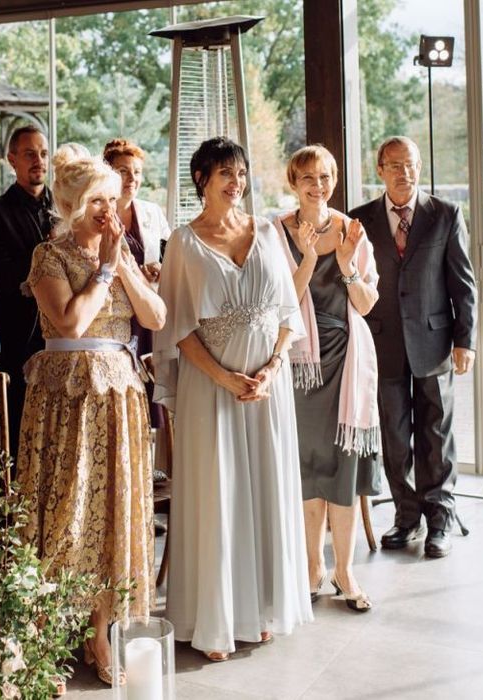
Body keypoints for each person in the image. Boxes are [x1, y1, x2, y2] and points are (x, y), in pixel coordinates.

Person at [153, 137, 312, 660]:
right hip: (211, 389)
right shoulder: (183, 241)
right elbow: (178, 328)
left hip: (267, 391)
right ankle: (214, 619)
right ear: (201, 178)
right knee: (218, 495)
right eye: (225, 172)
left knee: (264, 488)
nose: (236, 181)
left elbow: (288, 316)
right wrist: (223, 377)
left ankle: (260, 607)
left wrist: (268, 370)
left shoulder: (267, 232)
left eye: (241, 172)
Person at [17, 150, 166, 685]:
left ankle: (100, 632)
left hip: (119, 394)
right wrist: (105, 267)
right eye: (97, 200)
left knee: (114, 513)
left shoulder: (119, 252)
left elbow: (156, 316)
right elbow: (72, 322)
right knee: (66, 511)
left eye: (112, 197)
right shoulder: (48, 256)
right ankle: (44, 634)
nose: (109, 209)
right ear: (71, 206)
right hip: (68, 397)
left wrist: (122, 264)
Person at [349, 136, 477, 559]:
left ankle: (439, 519)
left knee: (436, 434)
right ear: (380, 169)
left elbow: (463, 283)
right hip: (381, 344)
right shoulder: (360, 220)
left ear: (420, 167)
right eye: (395, 165)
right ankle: (407, 518)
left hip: (435, 342)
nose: (404, 173)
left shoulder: (445, 215)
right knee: (396, 436)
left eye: (411, 165)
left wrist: (465, 340)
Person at [273, 145, 381, 612]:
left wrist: (346, 265)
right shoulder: (276, 232)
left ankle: (345, 569)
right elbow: (282, 300)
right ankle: (313, 566)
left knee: (343, 466)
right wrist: (308, 255)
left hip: (346, 362)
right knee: (307, 464)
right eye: (307, 178)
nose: (318, 186)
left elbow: (366, 304)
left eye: (325, 177)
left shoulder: (352, 230)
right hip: (299, 363)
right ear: (293, 183)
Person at [0, 125, 55, 456]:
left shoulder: (69, 207)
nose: (38, 161)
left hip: (66, 334)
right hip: (17, 333)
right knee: (19, 421)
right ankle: (16, 502)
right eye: (29, 154)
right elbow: (5, 278)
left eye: (43, 153)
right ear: (12, 160)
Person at [103, 138, 171, 429]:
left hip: (146, 310)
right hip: (116, 312)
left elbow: (171, 252)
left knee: (151, 387)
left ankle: (152, 458)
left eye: (138, 172)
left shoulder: (152, 212)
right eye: (124, 171)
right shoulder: (102, 213)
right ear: (108, 173)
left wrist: (159, 268)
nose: (132, 179)